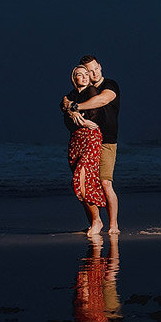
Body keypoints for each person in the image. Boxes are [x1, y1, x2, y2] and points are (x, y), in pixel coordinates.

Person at [61, 55, 120, 233]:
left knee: (105, 183)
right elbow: (64, 102)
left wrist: (74, 107)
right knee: (84, 182)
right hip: (82, 140)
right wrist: (68, 106)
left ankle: (113, 225)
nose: (92, 73)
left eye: (95, 69)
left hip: (106, 141)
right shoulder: (78, 92)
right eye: (88, 71)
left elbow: (102, 100)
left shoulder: (109, 85)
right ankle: (95, 221)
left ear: (100, 66)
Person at [63, 64, 107, 236]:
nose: (82, 77)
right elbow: (63, 103)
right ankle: (93, 222)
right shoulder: (71, 95)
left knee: (82, 179)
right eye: (78, 75)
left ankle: (97, 221)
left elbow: (95, 115)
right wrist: (70, 109)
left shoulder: (91, 92)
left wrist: (75, 113)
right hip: (75, 140)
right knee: (80, 183)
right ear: (74, 78)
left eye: (85, 74)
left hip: (90, 137)